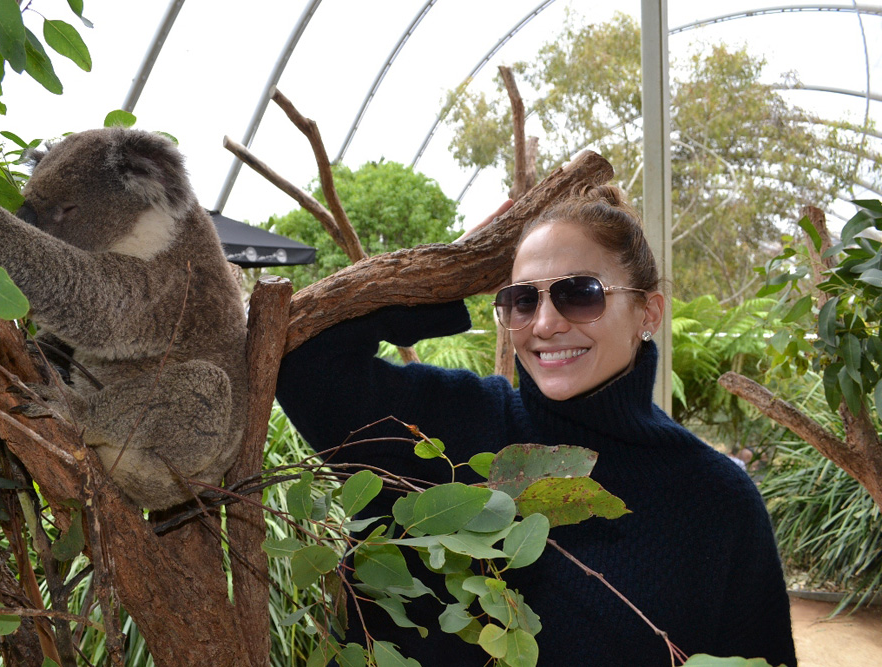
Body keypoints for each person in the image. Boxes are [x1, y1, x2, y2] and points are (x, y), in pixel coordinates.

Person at [276, 184, 796, 666]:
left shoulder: (716, 500)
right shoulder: (450, 426)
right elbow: (303, 362)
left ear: (648, 313)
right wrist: (442, 274)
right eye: (523, 299)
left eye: (580, 293)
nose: (545, 324)